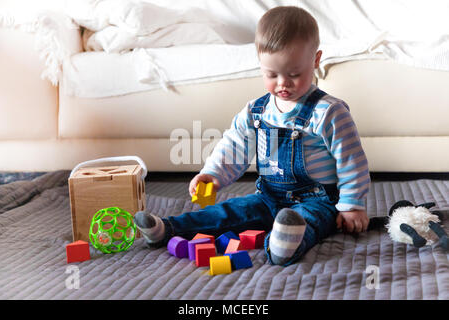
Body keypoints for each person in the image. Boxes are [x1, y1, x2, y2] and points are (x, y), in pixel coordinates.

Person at [134, 6, 371, 266]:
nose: (282, 83)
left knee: (310, 221)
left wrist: (351, 205)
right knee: (231, 211)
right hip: (269, 198)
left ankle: (284, 244)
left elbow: (351, 160)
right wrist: (212, 175)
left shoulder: (329, 112)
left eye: (294, 74)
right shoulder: (256, 111)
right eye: (271, 75)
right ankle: (167, 228)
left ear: (315, 60)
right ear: (260, 64)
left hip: (318, 201)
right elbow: (234, 147)